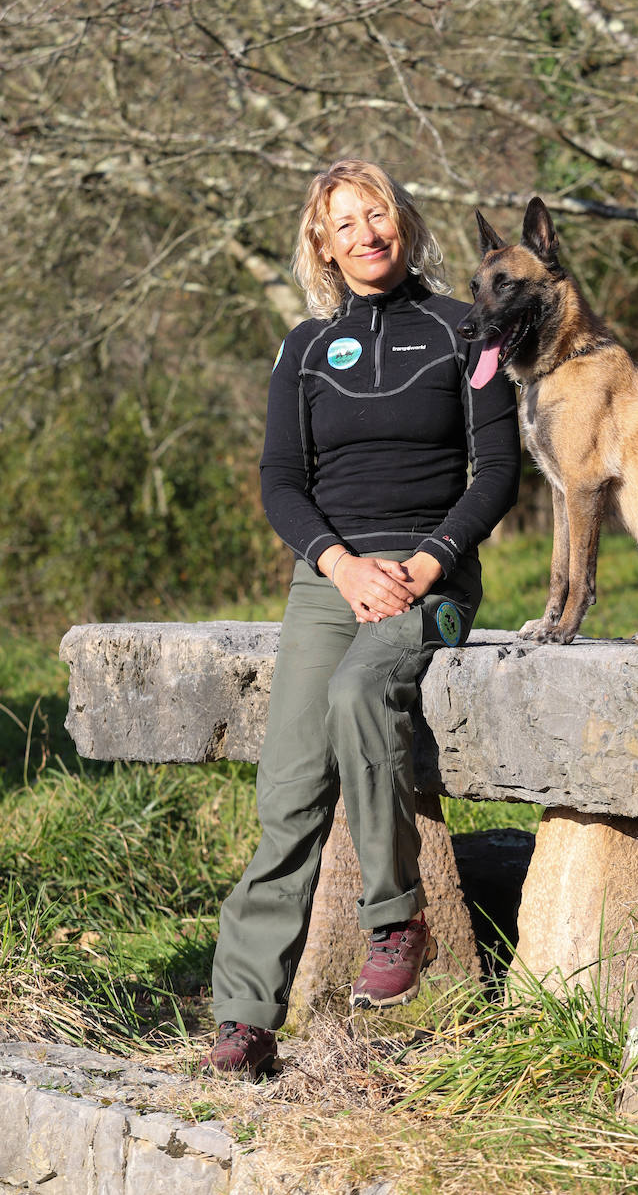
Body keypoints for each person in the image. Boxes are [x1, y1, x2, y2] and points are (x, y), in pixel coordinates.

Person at [205, 159, 521, 1076]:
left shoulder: (468, 332)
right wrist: (341, 566)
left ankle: (397, 921)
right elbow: (280, 481)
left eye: (376, 214)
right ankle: (245, 1015)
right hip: (330, 580)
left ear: (403, 223)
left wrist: (426, 565)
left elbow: (497, 470)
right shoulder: (304, 347)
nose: (365, 234)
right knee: (289, 790)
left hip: (435, 576)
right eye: (344, 224)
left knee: (358, 692)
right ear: (324, 245)